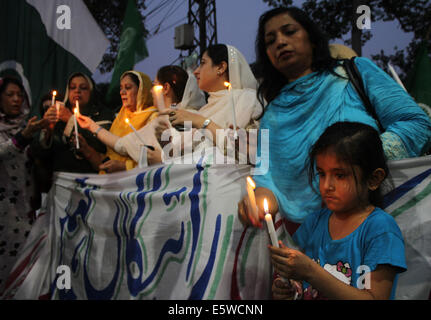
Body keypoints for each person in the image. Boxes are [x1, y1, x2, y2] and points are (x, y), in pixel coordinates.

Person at [238, 7, 431, 228]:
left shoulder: (353, 73)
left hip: (378, 222)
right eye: (270, 41)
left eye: (289, 32)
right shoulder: (272, 115)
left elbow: (416, 123)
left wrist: (361, 161)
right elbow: (266, 181)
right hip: (309, 242)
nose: (280, 42)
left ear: (311, 39)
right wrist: (256, 203)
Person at [269, 122, 407, 300]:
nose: (327, 186)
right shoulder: (315, 222)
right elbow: (301, 285)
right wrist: (289, 289)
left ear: (374, 179)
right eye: (322, 174)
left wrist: (311, 272)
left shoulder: (381, 230)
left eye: (340, 175)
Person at [157, 44, 263, 159]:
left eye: (202, 63)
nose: (196, 71)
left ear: (221, 67)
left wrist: (202, 122)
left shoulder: (247, 100)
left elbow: (252, 151)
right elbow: (189, 158)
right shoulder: (203, 111)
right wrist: (168, 147)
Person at [0, 77, 49, 291]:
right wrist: (23, 137)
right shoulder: (22, 131)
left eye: (20, 95)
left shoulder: (27, 125)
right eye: (10, 94)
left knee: (25, 276)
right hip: (3, 214)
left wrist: (45, 136)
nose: (16, 99)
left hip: (27, 211)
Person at [31, 72, 114, 174]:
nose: (77, 91)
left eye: (83, 88)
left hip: (93, 178)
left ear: (91, 92)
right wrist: (47, 130)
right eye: (72, 87)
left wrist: (71, 120)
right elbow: (38, 154)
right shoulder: (58, 114)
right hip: (62, 180)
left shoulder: (104, 114)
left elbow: (102, 145)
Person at [76, 71, 158, 172]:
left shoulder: (153, 117)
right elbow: (112, 149)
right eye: (121, 88)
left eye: (127, 88)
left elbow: (153, 159)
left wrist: (125, 166)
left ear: (142, 90)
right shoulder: (120, 116)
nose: (122, 92)